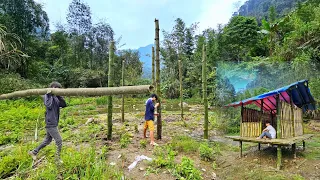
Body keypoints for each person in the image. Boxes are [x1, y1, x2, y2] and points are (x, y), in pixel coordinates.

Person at [29, 81, 67, 164]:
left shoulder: (56, 97)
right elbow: (48, 105)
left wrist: (59, 96)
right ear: (53, 87)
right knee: (59, 141)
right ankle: (57, 159)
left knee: (47, 140)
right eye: (57, 89)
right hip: (50, 123)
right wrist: (50, 94)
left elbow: (64, 105)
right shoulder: (47, 96)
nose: (58, 90)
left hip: (54, 122)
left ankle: (34, 152)